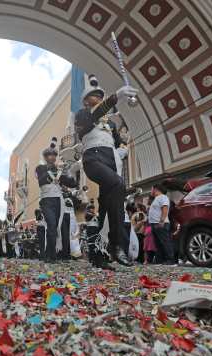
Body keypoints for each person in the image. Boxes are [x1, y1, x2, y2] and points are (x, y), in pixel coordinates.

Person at [74, 75, 137, 267]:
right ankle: (116, 245)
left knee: (106, 206)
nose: (99, 97)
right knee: (118, 184)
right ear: (86, 100)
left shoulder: (110, 123)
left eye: (101, 95)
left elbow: (119, 142)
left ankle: (97, 256)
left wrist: (124, 144)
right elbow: (95, 114)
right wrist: (114, 97)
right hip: (93, 159)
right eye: (95, 95)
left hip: (111, 160)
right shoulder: (83, 114)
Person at [35, 138, 78, 263]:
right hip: (46, 201)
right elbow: (41, 180)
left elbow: (72, 183)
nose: (52, 157)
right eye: (49, 155)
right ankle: (50, 254)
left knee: (56, 228)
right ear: (45, 157)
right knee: (52, 225)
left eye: (54, 155)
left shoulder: (59, 170)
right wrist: (54, 168)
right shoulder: (40, 168)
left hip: (58, 201)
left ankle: (51, 254)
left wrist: (68, 171)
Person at [148, 183, 176, 265]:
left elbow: (165, 208)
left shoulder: (162, 197)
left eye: (151, 188)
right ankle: (160, 260)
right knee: (158, 243)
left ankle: (170, 260)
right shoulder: (156, 198)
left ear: (155, 189)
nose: (151, 191)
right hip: (155, 224)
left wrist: (162, 221)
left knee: (165, 242)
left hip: (160, 223)